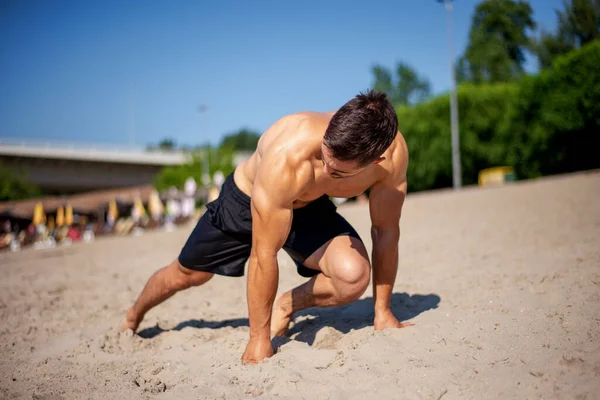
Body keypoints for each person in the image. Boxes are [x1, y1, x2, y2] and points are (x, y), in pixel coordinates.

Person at [122, 89, 413, 364]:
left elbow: (385, 232)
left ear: (376, 160)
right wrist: (259, 339)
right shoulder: (290, 153)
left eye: (336, 172)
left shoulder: (393, 159)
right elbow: (263, 254)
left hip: (308, 206)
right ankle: (133, 315)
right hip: (247, 200)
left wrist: (383, 311)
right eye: (324, 156)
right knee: (187, 275)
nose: (325, 170)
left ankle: (286, 305)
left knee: (353, 276)